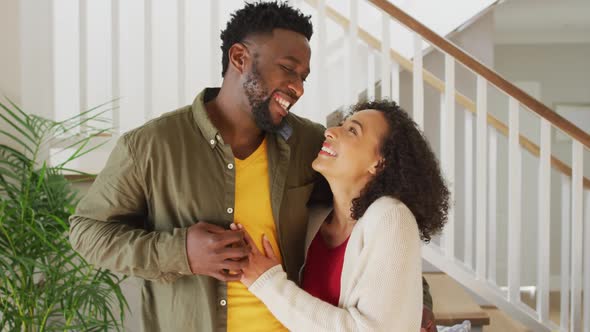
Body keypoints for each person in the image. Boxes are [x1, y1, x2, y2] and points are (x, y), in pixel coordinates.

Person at [68, 1, 435, 331]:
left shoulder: (307, 142)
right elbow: (86, 232)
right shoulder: (151, 146)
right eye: (288, 70)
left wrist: (416, 300)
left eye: (303, 77)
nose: (298, 88)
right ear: (240, 58)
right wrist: (181, 252)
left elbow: (368, 213)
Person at [234, 100, 450, 331]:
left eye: (352, 131)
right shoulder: (314, 219)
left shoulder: (392, 217)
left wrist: (268, 283)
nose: (330, 131)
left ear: (378, 164)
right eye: (341, 125)